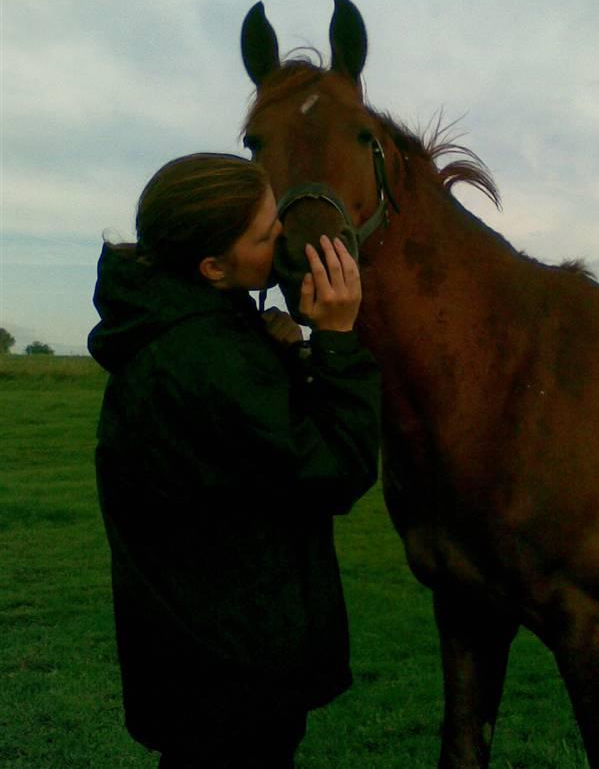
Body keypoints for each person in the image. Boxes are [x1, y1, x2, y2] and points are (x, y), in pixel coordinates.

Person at [88, 153, 381, 769]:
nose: (284, 238)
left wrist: (269, 350)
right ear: (213, 267)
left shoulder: (173, 331)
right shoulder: (209, 361)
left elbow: (246, 460)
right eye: (266, 232)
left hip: (189, 656)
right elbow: (336, 467)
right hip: (235, 674)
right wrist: (338, 336)